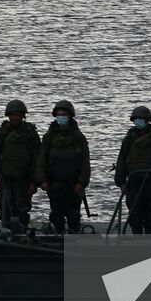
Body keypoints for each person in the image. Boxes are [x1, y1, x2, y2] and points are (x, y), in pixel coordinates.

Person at [35, 100, 91, 234]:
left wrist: (81, 182)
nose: (61, 118)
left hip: (73, 184)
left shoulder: (78, 137)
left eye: (64, 115)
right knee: (56, 214)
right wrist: (42, 180)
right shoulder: (49, 137)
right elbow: (41, 160)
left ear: (70, 116)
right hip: (54, 183)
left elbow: (85, 163)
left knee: (74, 215)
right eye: (58, 115)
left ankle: (74, 238)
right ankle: (58, 237)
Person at [115, 106, 151, 234]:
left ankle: (150, 237)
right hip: (134, 183)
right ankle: (137, 237)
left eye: (140, 119)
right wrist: (121, 181)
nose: (138, 122)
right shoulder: (129, 139)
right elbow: (122, 160)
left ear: (147, 121)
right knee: (134, 214)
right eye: (136, 119)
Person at [0, 99, 41, 231]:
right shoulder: (2, 133)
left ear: (22, 116)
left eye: (18, 115)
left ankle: (23, 232)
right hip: (5, 178)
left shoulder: (30, 133)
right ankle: (6, 231)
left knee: (22, 209)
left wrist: (33, 182)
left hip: (23, 179)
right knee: (5, 208)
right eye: (12, 115)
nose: (15, 117)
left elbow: (36, 159)